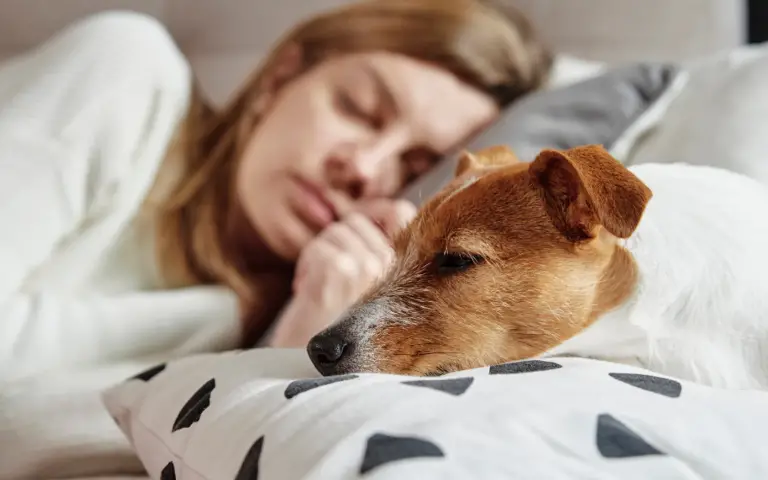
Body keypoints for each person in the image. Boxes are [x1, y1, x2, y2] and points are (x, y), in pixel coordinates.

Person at [0, 1, 551, 476]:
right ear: (279, 78)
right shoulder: (128, 71)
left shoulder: (314, 317)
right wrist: (234, 314)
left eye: (414, 165)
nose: (363, 167)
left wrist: (288, 345)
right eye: (358, 109)